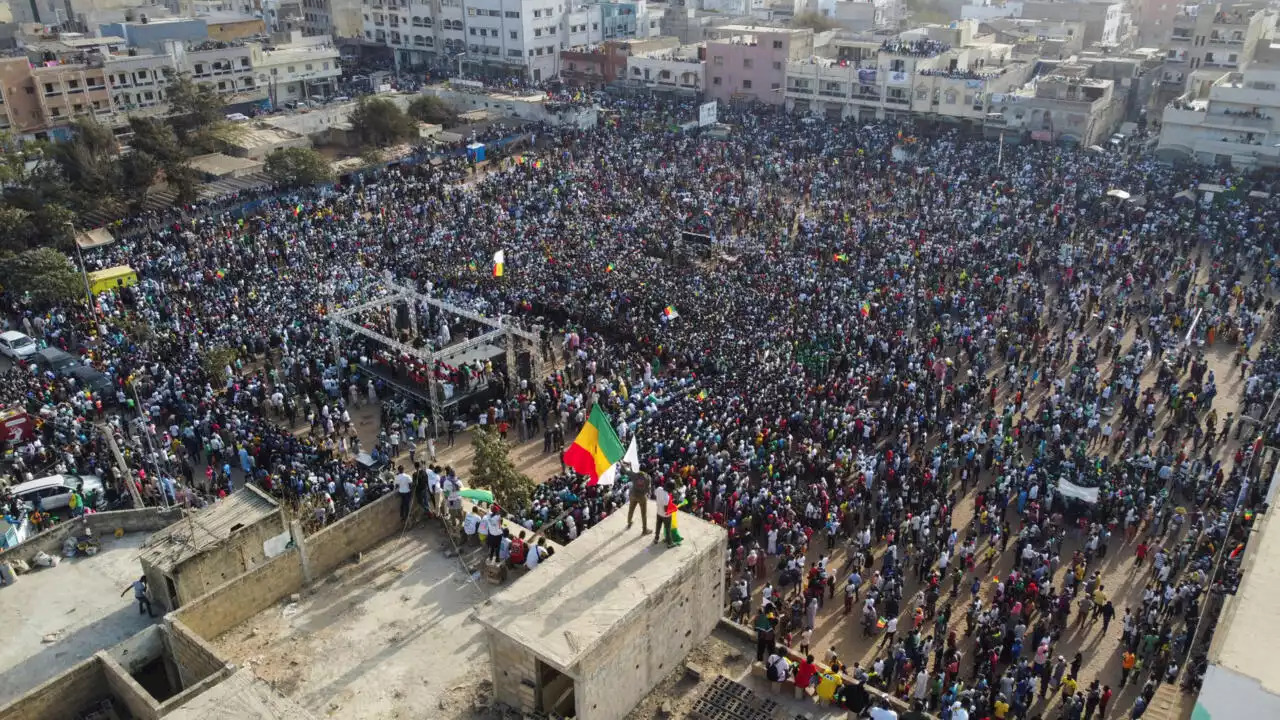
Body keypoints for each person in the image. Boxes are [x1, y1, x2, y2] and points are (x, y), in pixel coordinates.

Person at [653, 480, 673, 547]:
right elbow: (666, 510)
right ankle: (669, 543)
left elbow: (655, 494)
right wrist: (672, 509)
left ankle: (656, 538)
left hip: (658, 512)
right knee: (668, 528)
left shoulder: (659, 489)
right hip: (666, 516)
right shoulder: (666, 497)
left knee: (658, 526)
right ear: (669, 489)